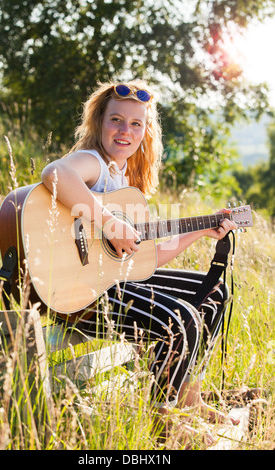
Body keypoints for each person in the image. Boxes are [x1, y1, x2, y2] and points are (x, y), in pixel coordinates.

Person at [41, 80, 238, 446]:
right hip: (78, 290)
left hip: (115, 283)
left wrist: (201, 231)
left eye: (136, 124)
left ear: (146, 131)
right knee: (180, 318)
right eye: (116, 119)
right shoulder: (94, 164)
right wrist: (110, 222)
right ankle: (166, 423)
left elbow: (145, 261)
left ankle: (188, 398)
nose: (125, 131)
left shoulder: (124, 182)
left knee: (213, 291)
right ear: (99, 122)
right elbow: (55, 173)